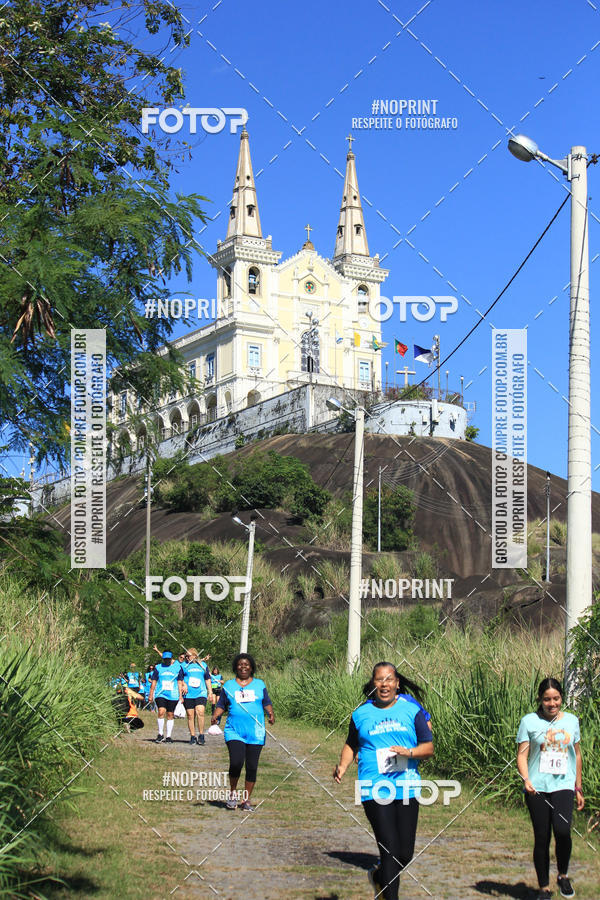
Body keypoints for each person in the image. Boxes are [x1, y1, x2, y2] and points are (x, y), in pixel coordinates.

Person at [334, 662, 434, 900]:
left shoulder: (411, 710)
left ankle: (379, 877)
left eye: (389, 679)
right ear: (373, 684)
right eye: (380, 680)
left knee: (405, 853)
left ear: (397, 683)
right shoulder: (361, 714)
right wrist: (343, 765)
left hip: (407, 784)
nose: (384, 684)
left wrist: (408, 753)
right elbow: (351, 743)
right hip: (373, 786)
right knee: (389, 848)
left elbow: (428, 748)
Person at [517, 677, 584, 900]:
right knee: (542, 836)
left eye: (556, 699)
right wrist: (526, 779)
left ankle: (563, 875)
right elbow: (522, 755)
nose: (552, 703)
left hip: (564, 785)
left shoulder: (572, 721)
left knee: (563, 831)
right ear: (540, 699)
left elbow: (577, 754)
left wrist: (578, 787)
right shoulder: (529, 722)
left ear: (561, 698)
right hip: (537, 786)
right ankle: (544, 888)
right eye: (547, 699)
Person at [211, 653, 274, 812]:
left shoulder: (259, 684)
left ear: (251, 667)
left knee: (252, 766)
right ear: (235, 667)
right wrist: (216, 715)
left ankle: (246, 800)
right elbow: (222, 704)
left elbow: (266, 702)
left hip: (256, 732)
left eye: (246, 665)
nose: (243, 667)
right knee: (236, 762)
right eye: (240, 664)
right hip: (234, 731)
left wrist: (270, 714)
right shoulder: (229, 686)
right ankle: (232, 794)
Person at [148, 651, 185, 743]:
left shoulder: (177, 668)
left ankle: (168, 736)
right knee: (161, 712)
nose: (167, 660)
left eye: (168, 659)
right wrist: (151, 694)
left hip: (173, 694)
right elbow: (154, 681)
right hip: (161, 693)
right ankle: (160, 734)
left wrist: (180, 695)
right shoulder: (158, 668)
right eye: (165, 659)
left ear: (171, 658)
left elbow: (180, 682)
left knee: (170, 714)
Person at [181, 648, 213, 745]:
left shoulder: (203, 665)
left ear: (194, 655)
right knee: (190, 715)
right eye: (186, 656)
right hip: (188, 694)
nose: (186, 657)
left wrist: (210, 692)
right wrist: (184, 684)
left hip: (201, 692)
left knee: (200, 712)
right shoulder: (184, 666)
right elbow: (179, 679)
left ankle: (201, 735)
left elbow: (207, 679)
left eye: (188, 656)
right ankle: (192, 736)